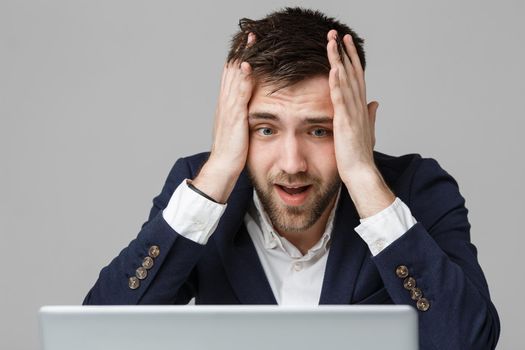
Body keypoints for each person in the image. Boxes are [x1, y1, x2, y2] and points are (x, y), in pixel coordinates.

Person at [83, 7, 500, 349]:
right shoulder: (202, 188)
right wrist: (218, 173)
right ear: (233, 127)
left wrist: (362, 176)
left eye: (320, 130)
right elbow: (96, 336)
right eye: (265, 128)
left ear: (362, 126)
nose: (293, 162)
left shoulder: (414, 188)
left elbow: (469, 340)